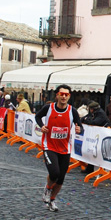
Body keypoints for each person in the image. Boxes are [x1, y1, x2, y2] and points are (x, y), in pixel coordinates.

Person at [35, 84, 83, 212]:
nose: (63, 97)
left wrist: (79, 129)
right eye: (61, 94)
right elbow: (37, 116)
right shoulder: (48, 108)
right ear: (57, 95)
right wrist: (41, 126)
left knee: (61, 177)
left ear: (69, 97)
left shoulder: (72, 111)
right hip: (49, 146)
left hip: (65, 148)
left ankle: (52, 200)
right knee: (54, 173)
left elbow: (80, 126)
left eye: (66, 95)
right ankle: (47, 188)